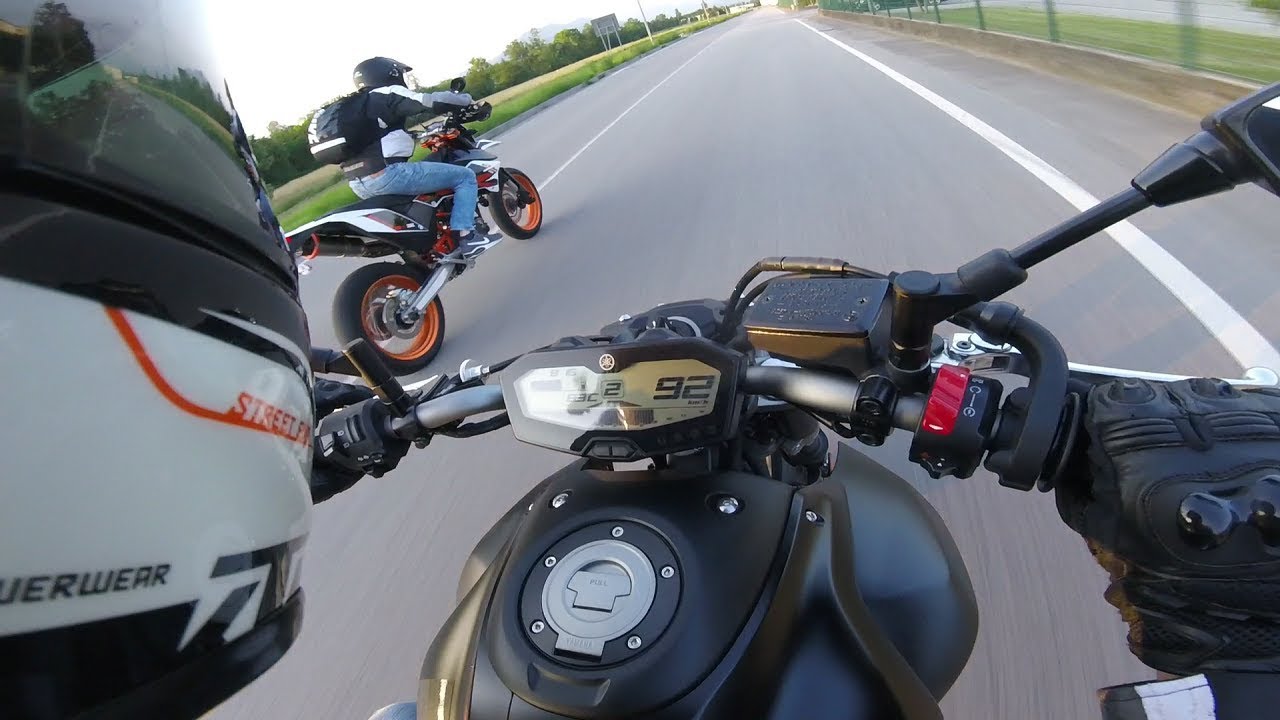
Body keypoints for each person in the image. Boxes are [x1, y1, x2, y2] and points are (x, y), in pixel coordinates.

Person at [0, 3, 1277, 719]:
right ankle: (460, 235)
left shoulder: (344, 124)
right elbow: (444, 123)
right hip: (426, 195)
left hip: (382, 228)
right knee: (462, 185)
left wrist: (365, 417)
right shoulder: (392, 105)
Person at [330, 56, 500, 260]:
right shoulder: (385, 93)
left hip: (358, 184)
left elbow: (379, 137)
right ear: (390, 74)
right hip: (388, 174)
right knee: (465, 177)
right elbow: (429, 101)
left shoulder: (359, 108)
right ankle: (467, 237)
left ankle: (428, 253)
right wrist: (466, 101)